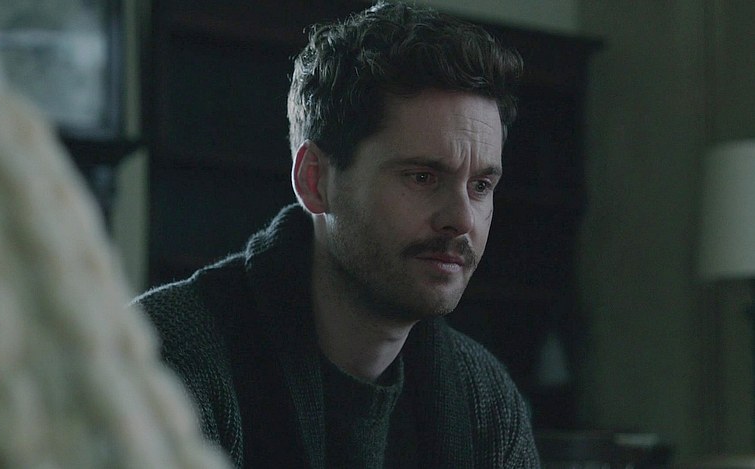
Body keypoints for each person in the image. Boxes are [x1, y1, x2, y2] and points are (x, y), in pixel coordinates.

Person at [135, 1, 540, 467]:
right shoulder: (166, 362)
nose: (462, 219)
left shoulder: (484, 400)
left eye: (481, 186)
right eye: (422, 177)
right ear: (315, 181)